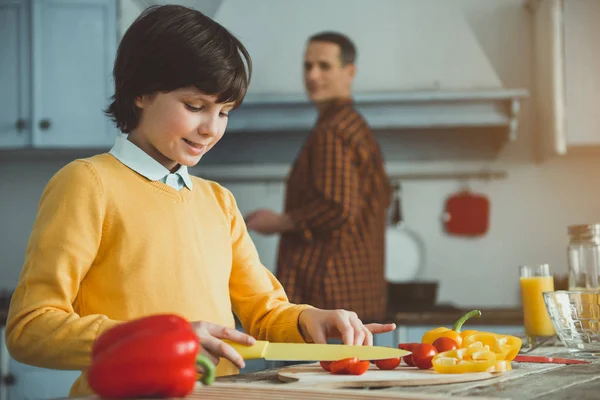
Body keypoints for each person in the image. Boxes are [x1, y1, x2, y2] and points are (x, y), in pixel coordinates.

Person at [4, 8, 395, 397]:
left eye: (224, 112)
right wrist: (154, 339)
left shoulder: (218, 201)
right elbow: (30, 327)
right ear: (141, 91)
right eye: (195, 107)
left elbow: (264, 310)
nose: (211, 128)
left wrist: (310, 319)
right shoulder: (88, 183)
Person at [246, 32, 392, 323]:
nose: (313, 75)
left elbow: (336, 207)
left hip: (330, 294)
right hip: (356, 295)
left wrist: (278, 222)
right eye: (307, 66)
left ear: (349, 72)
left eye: (324, 66)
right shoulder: (352, 125)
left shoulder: (332, 131)